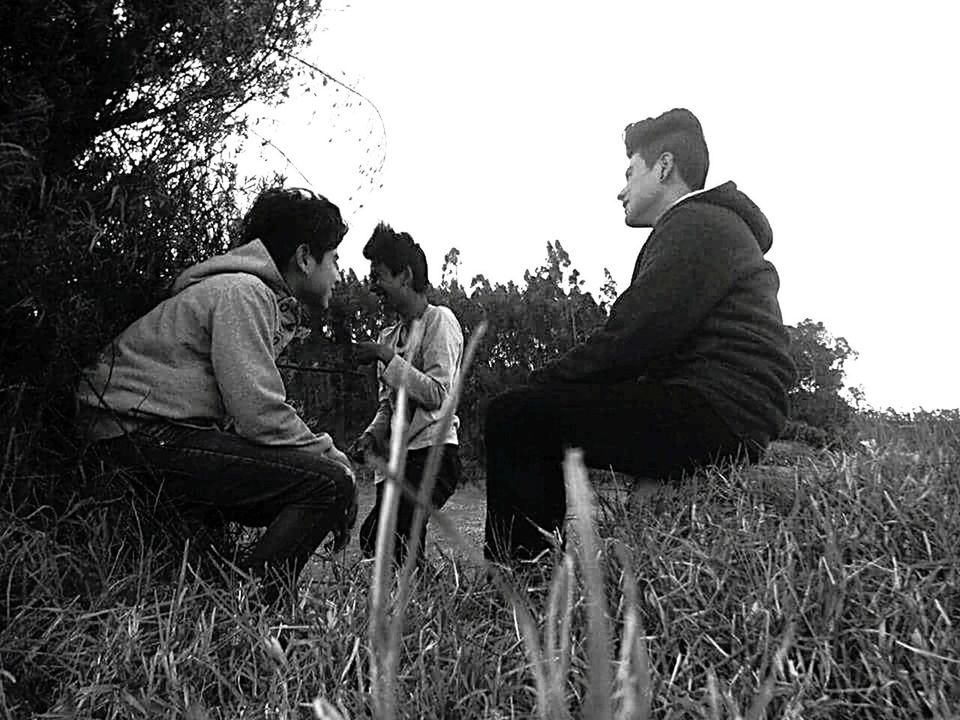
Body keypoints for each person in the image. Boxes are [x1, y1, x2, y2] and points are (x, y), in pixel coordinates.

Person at [484, 108, 797, 563]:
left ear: (664, 167)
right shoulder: (711, 227)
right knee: (538, 411)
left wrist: (539, 383)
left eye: (631, 173)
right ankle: (538, 568)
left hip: (714, 411)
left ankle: (519, 583)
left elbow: (631, 340)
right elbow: (648, 343)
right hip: (729, 409)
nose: (621, 190)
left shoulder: (696, 225)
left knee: (514, 416)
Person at [76, 187, 358, 602]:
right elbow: (258, 413)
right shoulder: (244, 292)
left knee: (296, 482)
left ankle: (209, 590)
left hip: (127, 434)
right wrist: (335, 461)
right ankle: (251, 608)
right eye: (334, 258)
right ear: (304, 257)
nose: (338, 273)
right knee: (328, 484)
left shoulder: (236, 290)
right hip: (138, 434)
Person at [350, 222, 464, 567]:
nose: (374, 285)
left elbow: (437, 394)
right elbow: (389, 404)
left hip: (433, 453)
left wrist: (388, 358)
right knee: (377, 540)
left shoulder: (440, 321)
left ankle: (426, 605)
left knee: (394, 536)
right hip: (395, 461)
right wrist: (371, 436)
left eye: (380, 274)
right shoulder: (388, 335)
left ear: (406, 275)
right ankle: (424, 603)